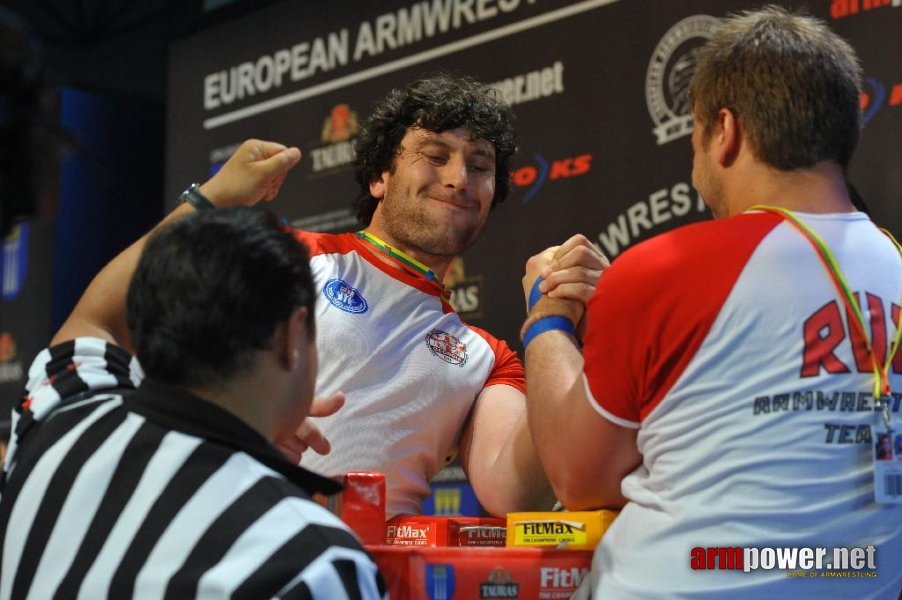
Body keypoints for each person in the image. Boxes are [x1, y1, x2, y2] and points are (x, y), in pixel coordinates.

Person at [520, 6, 901, 598]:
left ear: (725, 132)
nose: (695, 164)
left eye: (693, 137)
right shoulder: (895, 263)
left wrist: (545, 317)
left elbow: (578, 478)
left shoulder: (661, 267)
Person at [0, 140, 386, 599]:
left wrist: (213, 196)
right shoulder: (310, 559)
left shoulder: (63, 420)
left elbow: (96, 316)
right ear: (291, 335)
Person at [284, 72, 606, 518]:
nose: (459, 179)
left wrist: (555, 318)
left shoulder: (489, 359)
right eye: (435, 155)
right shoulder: (291, 257)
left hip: (370, 581)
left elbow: (515, 496)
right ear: (380, 176)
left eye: (479, 166)